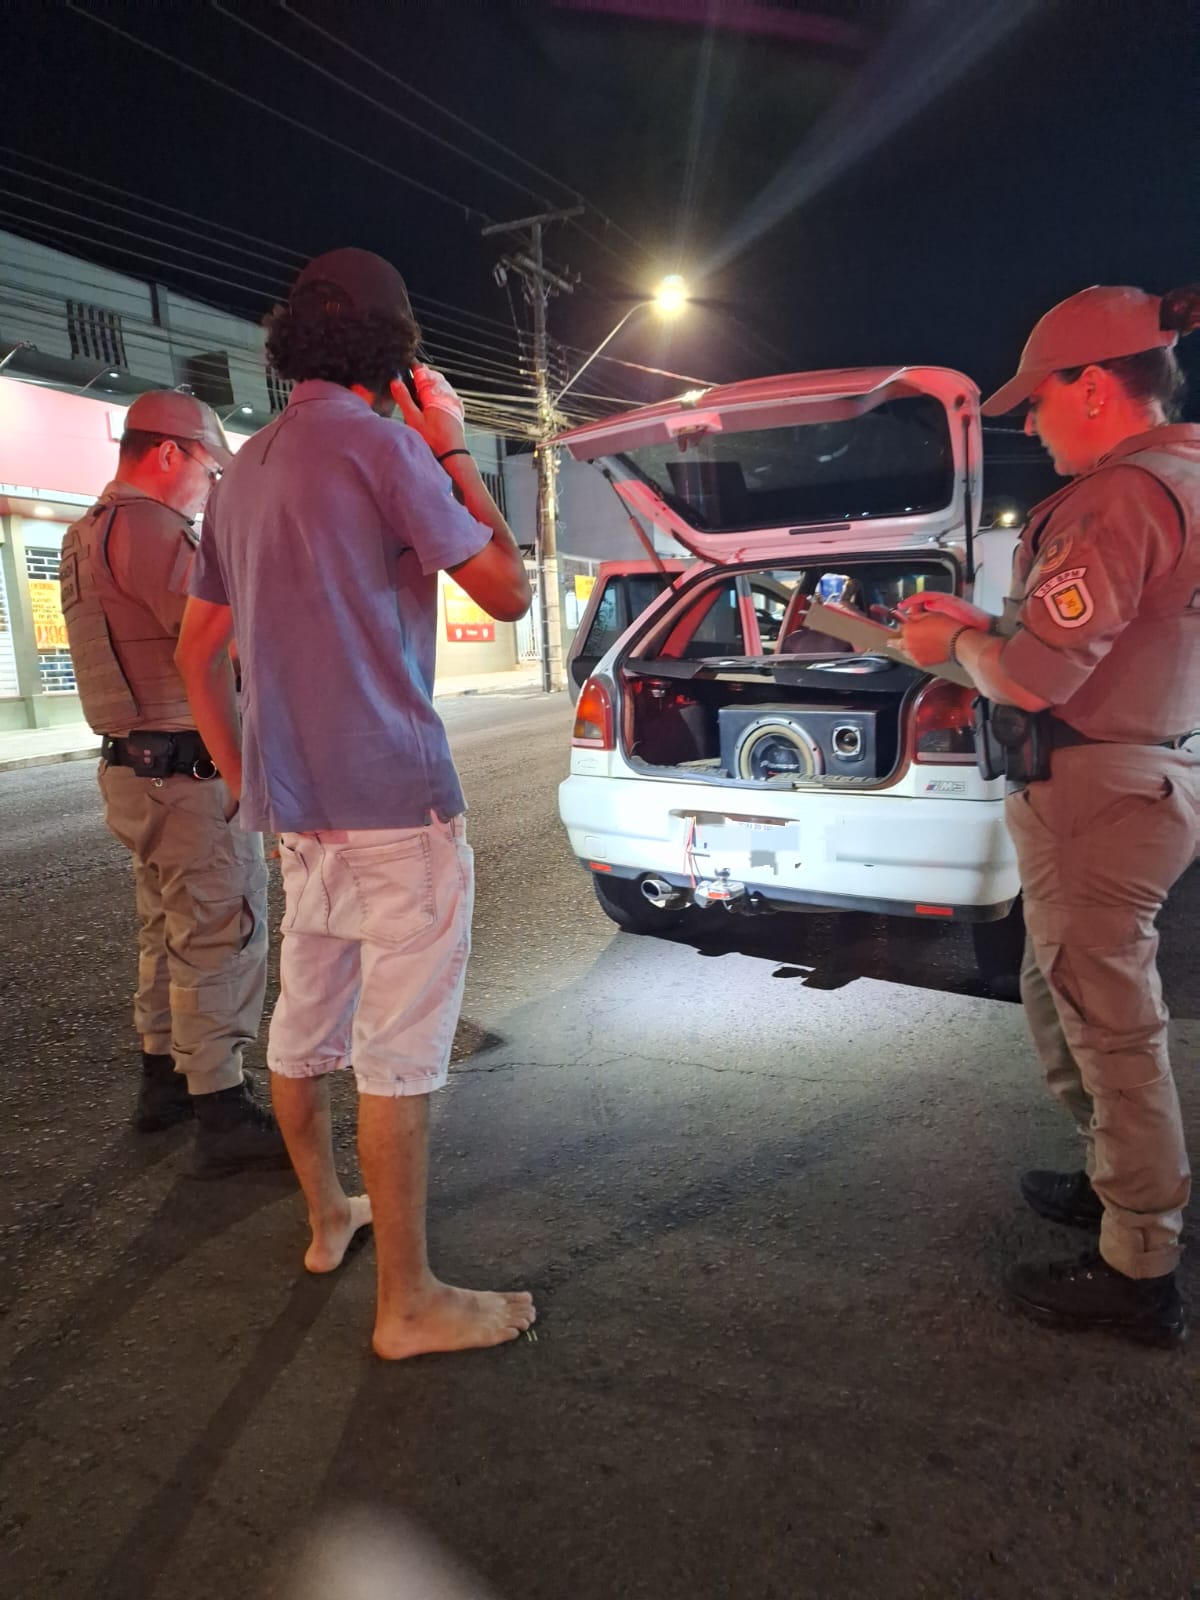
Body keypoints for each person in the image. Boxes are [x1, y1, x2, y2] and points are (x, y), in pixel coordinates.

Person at [176, 247, 537, 1359]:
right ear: (394, 352)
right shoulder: (388, 447)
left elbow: (200, 659)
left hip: (298, 813)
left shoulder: (244, 470)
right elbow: (508, 589)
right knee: (397, 1053)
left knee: (303, 1022)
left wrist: (248, 784)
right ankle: (410, 1300)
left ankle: (331, 1217)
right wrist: (452, 448)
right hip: (396, 801)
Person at [899, 284, 1200, 1347]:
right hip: (1129, 779)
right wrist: (985, 624)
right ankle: (1120, 1179)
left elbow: (1031, 680)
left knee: (1111, 1024)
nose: (1028, 422)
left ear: (1092, 385)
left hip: (1099, 794)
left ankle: (1140, 1260)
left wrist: (957, 648)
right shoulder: (1177, 479)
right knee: (1067, 992)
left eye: (1038, 399)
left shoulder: (1123, 495)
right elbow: (1099, 636)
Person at [59, 389, 288, 1175]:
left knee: (165, 928)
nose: (213, 484)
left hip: (132, 770)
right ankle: (220, 1108)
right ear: (167, 454)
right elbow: (221, 643)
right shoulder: (154, 529)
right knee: (219, 929)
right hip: (186, 775)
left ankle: (163, 1079)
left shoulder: (87, 531)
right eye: (210, 466)